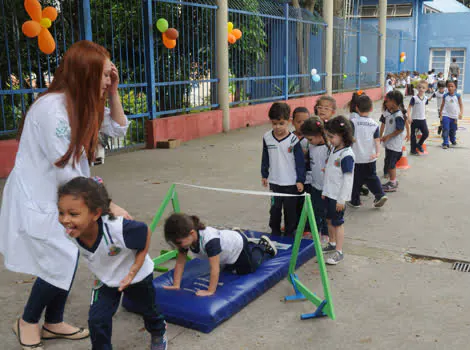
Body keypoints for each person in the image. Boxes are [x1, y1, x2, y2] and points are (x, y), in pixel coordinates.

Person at [0, 40, 131, 350]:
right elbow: (68, 171)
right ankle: (28, 321)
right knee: (60, 255)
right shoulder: (52, 109)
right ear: (86, 74)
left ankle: (54, 321)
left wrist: (113, 92)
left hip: (67, 193)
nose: (106, 81)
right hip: (39, 194)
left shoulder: (83, 103)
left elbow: (119, 129)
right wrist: (108, 205)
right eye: (102, 75)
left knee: (69, 252)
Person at [57, 177, 167, 350]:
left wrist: (133, 271)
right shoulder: (72, 231)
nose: (65, 220)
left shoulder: (117, 228)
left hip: (137, 276)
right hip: (106, 278)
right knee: (97, 320)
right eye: (61, 212)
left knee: (149, 310)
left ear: (95, 213)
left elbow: (144, 232)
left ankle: (158, 332)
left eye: (73, 214)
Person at [163, 213, 277, 292]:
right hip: (225, 250)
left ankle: (261, 246)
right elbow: (180, 263)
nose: (178, 246)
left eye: (178, 242)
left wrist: (210, 291)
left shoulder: (210, 241)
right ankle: (236, 235)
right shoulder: (185, 240)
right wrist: (176, 284)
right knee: (228, 268)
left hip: (237, 247)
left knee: (248, 269)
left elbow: (214, 268)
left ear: (192, 233)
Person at [261, 102, 306, 237]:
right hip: (275, 182)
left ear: (288, 122)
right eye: (274, 123)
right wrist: (264, 174)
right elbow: (265, 157)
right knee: (275, 209)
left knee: (290, 211)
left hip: (291, 183)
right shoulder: (267, 137)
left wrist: (300, 180)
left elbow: (300, 163)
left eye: (281, 123)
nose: (277, 127)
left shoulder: (293, 140)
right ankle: (274, 231)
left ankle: (289, 233)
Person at [321, 116, 355, 265]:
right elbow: (330, 173)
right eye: (328, 136)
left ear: (343, 135)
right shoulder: (335, 149)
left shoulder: (346, 155)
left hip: (338, 197)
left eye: (332, 136)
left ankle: (339, 252)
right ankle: (332, 243)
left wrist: (342, 199)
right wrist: (325, 191)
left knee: (337, 223)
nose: (329, 140)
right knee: (329, 220)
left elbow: (348, 179)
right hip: (329, 194)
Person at [349, 95, 388, 209]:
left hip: (356, 157)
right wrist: (377, 153)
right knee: (372, 177)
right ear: (371, 109)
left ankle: (355, 201)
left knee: (355, 179)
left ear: (356, 108)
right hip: (370, 157)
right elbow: (377, 140)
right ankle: (380, 194)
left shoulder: (353, 122)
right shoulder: (374, 124)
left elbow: (349, 138)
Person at [301, 117, 331, 242]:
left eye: (310, 139)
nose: (309, 142)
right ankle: (316, 232)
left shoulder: (329, 148)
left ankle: (326, 233)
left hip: (327, 188)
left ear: (319, 135)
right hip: (315, 185)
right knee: (316, 210)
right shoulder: (312, 146)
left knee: (326, 213)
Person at [380, 91, 407, 193]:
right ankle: (392, 181)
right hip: (390, 145)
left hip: (395, 146)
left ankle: (393, 183)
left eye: (387, 101)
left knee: (391, 165)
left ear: (394, 102)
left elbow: (400, 129)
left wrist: (388, 136)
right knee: (389, 163)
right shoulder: (392, 114)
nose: (386, 103)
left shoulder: (398, 116)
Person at [292, 107, 312, 229]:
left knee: (306, 203)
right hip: (291, 177)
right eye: (299, 122)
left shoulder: (311, 139)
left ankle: (307, 228)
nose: (302, 125)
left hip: (308, 178)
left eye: (305, 122)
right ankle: (293, 225)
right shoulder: (289, 137)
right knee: (292, 203)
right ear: (292, 122)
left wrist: (306, 155)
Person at [439, 80, 464, 149]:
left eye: (452, 86)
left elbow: (461, 105)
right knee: (446, 129)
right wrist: (440, 113)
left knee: (453, 130)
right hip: (446, 115)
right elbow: (442, 105)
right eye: (449, 86)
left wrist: (461, 113)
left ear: (455, 87)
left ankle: (452, 139)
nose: (450, 88)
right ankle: (445, 143)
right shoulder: (445, 96)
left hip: (454, 116)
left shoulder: (458, 96)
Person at [407, 80, 430, 155]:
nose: (421, 89)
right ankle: (413, 150)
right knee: (413, 135)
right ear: (417, 88)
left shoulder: (426, 98)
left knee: (426, 133)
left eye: (423, 88)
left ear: (426, 89)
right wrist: (409, 117)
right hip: (415, 119)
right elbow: (409, 108)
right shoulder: (414, 98)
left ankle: (419, 144)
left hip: (422, 119)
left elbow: (424, 107)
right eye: (419, 87)